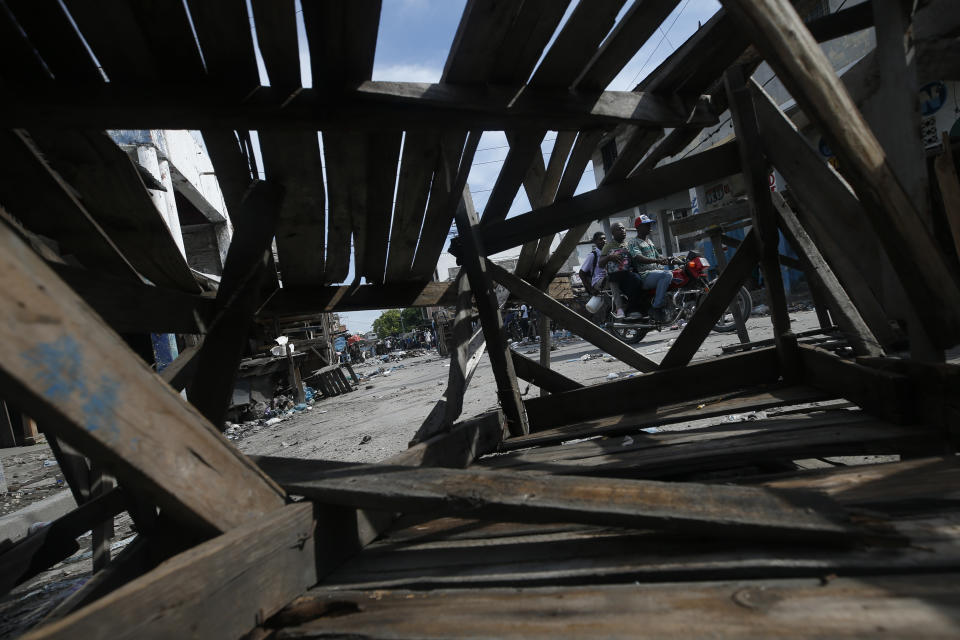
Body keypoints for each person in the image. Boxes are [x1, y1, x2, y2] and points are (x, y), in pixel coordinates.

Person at [630, 214, 673, 322]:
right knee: (667, 275)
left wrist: (671, 259)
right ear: (638, 227)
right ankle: (656, 307)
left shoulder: (650, 242)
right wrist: (656, 260)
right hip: (645, 275)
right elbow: (638, 257)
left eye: (650, 224)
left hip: (655, 272)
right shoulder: (633, 242)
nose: (649, 226)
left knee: (677, 274)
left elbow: (658, 257)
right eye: (646, 225)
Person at [598, 222, 646, 317]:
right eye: (619, 229)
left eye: (623, 228)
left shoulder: (629, 244)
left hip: (628, 274)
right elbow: (600, 263)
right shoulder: (608, 246)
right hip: (615, 275)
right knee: (617, 282)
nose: (622, 231)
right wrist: (610, 257)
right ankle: (620, 309)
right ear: (613, 233)